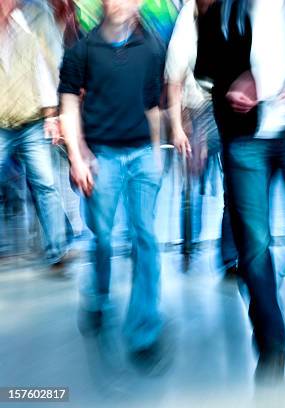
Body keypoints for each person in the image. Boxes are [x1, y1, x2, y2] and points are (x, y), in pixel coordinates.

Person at [195, 0, 285, 383]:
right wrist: (236, 82)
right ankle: (272, 340)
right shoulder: (225, 14)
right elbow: (204, 72)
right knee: (255, 243)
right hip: (247, 141)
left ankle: (268, 306)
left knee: (284, 235)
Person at [59, 0, 167, 367]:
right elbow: (69, 105)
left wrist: (156, 151)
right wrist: (77, 156)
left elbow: (152, 104)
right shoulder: (82, 50)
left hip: (141, 158)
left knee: (146, 239)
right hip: (101, 158)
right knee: (102, 239)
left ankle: (144, 330)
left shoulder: (151, 47)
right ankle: (99, 296)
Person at [165, 0, 238, 271]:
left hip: (228, 107)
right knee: (191, 185)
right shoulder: (187, 22)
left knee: (233, 185)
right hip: (199, 110)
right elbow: (173, 81)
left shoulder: (231, 15)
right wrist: (177, 126)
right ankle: (188, 246)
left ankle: (230, 257)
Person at [0, 0, 71, 267]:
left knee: (45, 184)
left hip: (32, 118)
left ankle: (57, 250)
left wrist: (52, 114)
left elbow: (48, 67)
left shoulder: (37, 15)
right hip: (1, 119)